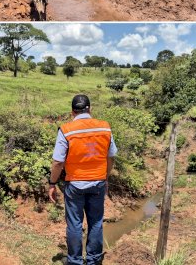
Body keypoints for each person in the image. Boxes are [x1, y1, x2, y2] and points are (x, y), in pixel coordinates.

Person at [49, 95, 117, 265]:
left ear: (72, 112)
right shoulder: (105, 128)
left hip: (74, 184)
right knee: (95, 222)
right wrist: (106, 176)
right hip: (98, 182)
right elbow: (111, 157)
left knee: (74, 224)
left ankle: (75, 261)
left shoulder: (66, 130)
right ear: (90, 109)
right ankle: (94, 260)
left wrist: (52, 183)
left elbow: (58, 162)